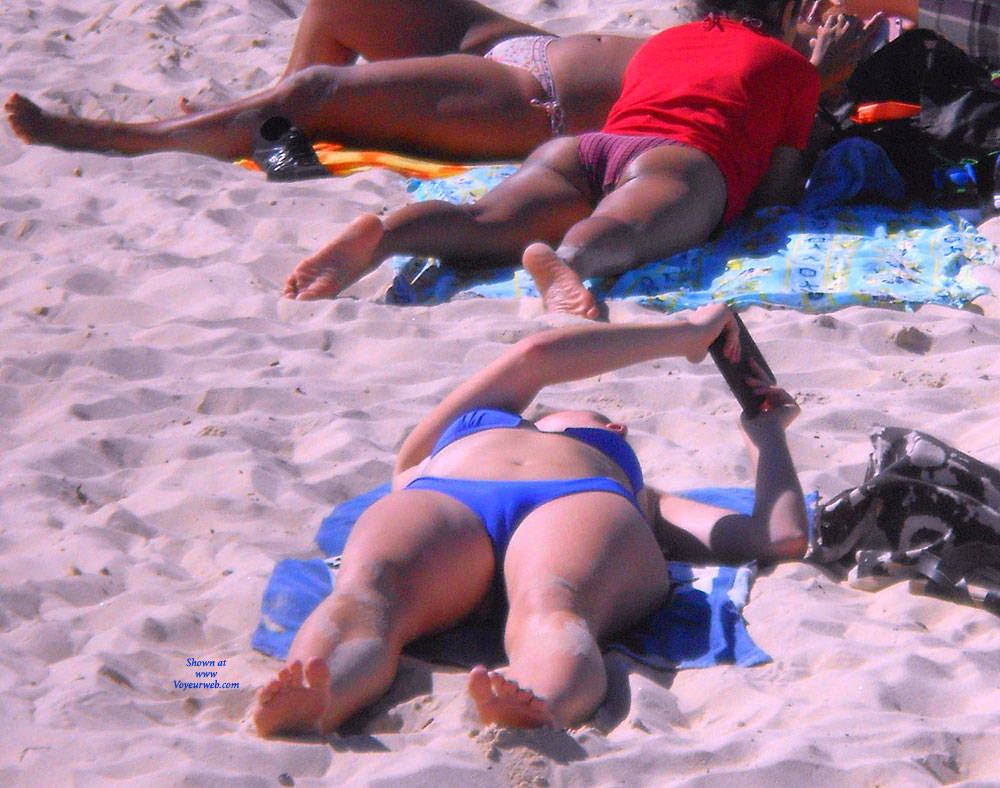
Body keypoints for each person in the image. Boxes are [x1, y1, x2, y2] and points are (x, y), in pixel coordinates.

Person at [250, 303, 810, 736]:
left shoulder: (647, 497)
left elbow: (779, 538)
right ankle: (318, 692)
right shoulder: (434, 447)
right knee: (377, 591)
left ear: (615, 431)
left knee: (400, 595)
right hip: (475, 496)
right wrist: (686, 334)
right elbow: (536, 354)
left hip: (539, 499)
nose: (547, 414)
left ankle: (534, 701)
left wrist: (766, 435)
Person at [284, 0, 821, 318]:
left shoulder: (663, 43)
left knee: (485, 219)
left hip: (586, 148)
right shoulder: (793, 67)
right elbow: (775, 193)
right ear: (790, 10)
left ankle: (385, 235)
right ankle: (570, 264)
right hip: (680, 160)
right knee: (622, 227)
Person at [5, 0, 868, 163]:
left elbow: (765, 153)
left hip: (530, 106)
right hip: (526, 44)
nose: (823, 18)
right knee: (341, 3)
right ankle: (263, 129)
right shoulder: (749, 29)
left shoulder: (793, 80)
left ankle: (130, 138)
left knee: (319, 93)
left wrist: (823, 76)